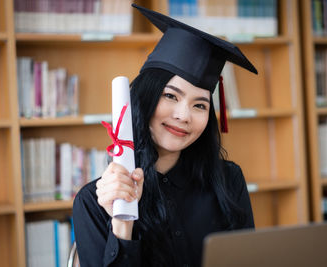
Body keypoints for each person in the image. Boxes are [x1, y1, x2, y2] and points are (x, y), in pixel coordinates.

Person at [73, 4, 258, 267]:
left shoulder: (228, 181)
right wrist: (122, 223)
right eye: (170, 96)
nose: (184, 115)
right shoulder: (92, 202)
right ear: (145, 98)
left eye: (200, 105)